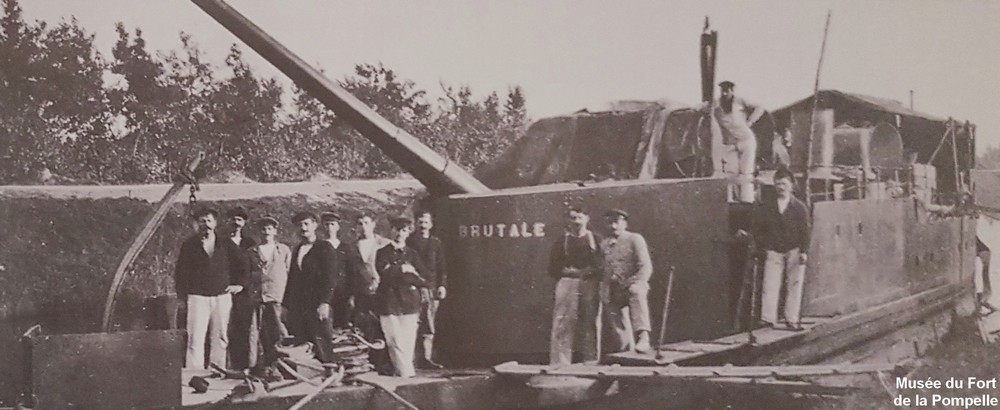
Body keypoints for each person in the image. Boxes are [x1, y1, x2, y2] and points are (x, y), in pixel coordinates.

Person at [175, 208, 248, 369]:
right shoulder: (189, 245)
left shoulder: (226, 243)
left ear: (215, 223)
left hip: (222, 296)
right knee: (195, 338)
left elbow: (243, 264)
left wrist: (240, 285)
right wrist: (182, 297)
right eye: (202, 221)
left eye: (209, 221)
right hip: (197, 297)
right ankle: (194, 373)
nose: (206, 225)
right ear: (196, 224)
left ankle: (218, 371)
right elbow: (180, 273)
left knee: (220, 337)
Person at [749, 167, 811, 328]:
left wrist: (804, 251)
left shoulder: (799, 207)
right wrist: (764, 245)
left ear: (791, 185)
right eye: (778, 184)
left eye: (784, 184)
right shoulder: (768, 207)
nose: (781, 187)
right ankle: (768, 318)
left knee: (794, 285)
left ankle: (791, 319)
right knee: (770, 284)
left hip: (794, 250)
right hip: (774, 250)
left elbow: (805, 231)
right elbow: (759, 228)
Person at [283, 212, 340, 363]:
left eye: (306, 224)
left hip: (318, 305)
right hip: (300, 306)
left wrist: (325, 302)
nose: (303, 228)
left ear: (315, 225)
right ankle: (309, 374)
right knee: (303, 344)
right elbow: (292, 279)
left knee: (322, 343)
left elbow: (330, 278)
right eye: (299, 225)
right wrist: (285, 305)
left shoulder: (324, 247)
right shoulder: (297, 249)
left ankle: (329, 371)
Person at [547, 207, 603, 365]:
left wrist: (587, 271)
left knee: (591, 322)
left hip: (589, 283)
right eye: (573, 218)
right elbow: (553, 268)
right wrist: (567, 272)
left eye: (580, 218)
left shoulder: (596, 239)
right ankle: (560, 362)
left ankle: (591, 361)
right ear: (568, 220)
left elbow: (602, 264)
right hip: (567, 283)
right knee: (562, 322)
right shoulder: (561, 241)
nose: (576, 222)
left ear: (587, 219)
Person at [375, 216, 428, 378]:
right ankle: (407, 374)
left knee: (408, 341)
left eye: (404, 230)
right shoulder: (382, 253)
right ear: (391, 231)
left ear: (408, 232)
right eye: (397, 229)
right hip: (389, 302)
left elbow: (423, 278)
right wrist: (403, 269)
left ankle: (403, 374)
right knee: (394, 340)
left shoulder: (412, 254)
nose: (400, 233)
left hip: (409, 302)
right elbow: (384, 273)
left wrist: (406, 272)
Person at [599, 209, 653, 353]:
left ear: (625, 223)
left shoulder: (635, 239)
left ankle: (643, 337)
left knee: (637, 293)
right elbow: (604, 268)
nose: (613, 226)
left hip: (632, 285)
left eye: (616, 222)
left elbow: (646, 266)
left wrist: (636, 283)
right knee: (613, 314)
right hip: (614, 289)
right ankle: (625, 350)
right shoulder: (604, 244)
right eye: (609, 223)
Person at [246, 216, 292, 369]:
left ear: (275, 231)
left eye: (270, 228)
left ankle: (285, 365)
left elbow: (290, 273)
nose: (266, 232)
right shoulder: (252, 252)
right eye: (263, 229)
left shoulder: (283, 250)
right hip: (258, 298)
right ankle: (256, 367)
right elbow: (248, 275)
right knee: (256, 333)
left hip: (277, 297)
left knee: (280, 332)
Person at [709, 80, 764, 202]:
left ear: (732, 91)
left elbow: (760, 107)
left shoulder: (740, 101)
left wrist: (750, 121)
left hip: (746, 140)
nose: (724, 93)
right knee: (730, 172)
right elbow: (706, 109)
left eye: (727, 90)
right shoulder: (716, 104)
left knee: (746, 172)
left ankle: (747, 201)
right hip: (731, 143)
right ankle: (729, 201)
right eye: (722, 90)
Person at [406, 210, 448, 369]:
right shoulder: (409, 241)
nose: (423, 225)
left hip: (431, 288)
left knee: (429, 324)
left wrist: (442, 285)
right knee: (412, 322)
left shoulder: (436, 243)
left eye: (426, 222)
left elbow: (442, 266)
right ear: (415, 223)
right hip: (413, 287)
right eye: (420, 222)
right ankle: (411, 359)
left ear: (431, 224)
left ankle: (426, 358)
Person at [226, 207, 260, 370]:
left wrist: (242, 285)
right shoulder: (222, 242)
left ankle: (243, 366)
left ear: (244, 223)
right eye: (233, 219)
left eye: (239, 220)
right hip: (226, 290)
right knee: (226, 329)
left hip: (244, 293)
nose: (236, 223)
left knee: (244, 329)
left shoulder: (249, 244)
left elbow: (254, 270)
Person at [321, 211, 352, 328]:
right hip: (324, 293)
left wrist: (352, 294)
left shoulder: (347, 248)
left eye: (332, 224)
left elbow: (352, 272)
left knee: (342, 324)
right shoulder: (319, 247)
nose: (330, 228)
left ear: (338, 227)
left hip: (343, 293)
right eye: (327, 224)